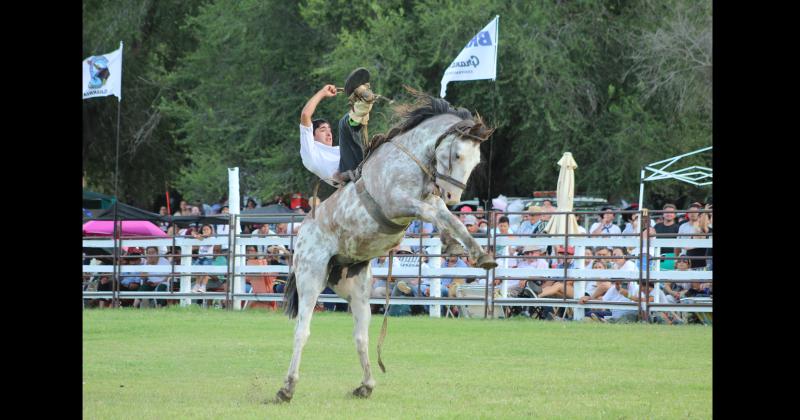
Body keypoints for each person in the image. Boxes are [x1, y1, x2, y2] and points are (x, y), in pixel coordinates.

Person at [299, 68, 376, 186]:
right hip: (346, 171)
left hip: (357, 160)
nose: (329, 133)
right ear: (312, 136)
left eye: (329, 130)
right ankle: (364, 102)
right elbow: (305, 115)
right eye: (323, 130)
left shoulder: (338, 150)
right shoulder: (310, 153)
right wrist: (323, 93)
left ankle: (362, 103)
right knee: (343, 124)